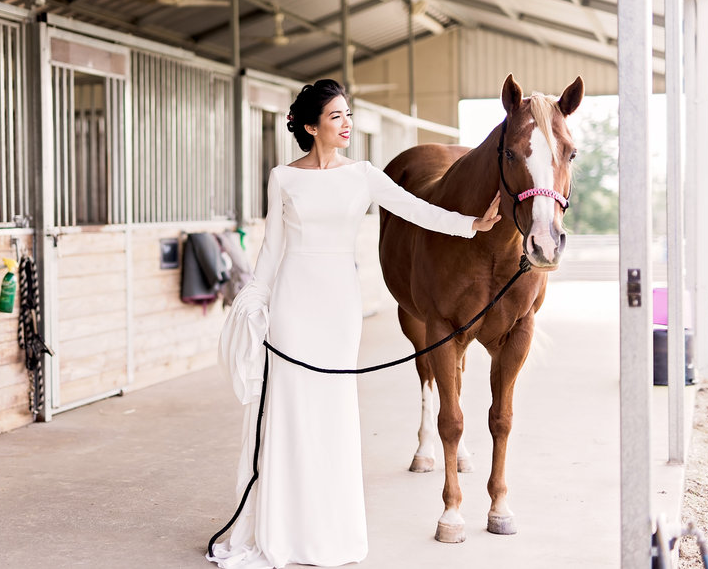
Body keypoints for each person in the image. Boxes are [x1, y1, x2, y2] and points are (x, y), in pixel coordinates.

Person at [208, 79, 501, 569]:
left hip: (339, 306)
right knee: (291, 409)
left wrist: (471, 225)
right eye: (337, 117)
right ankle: (284, 528)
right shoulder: (283, 178)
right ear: (310, 126)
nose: (347, 124)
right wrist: (253, 302)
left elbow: (420, 212)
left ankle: (329, 531)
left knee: (333, 411)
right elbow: (271, 250)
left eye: (348, 114)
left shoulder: (364, 175)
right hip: (292, 303)